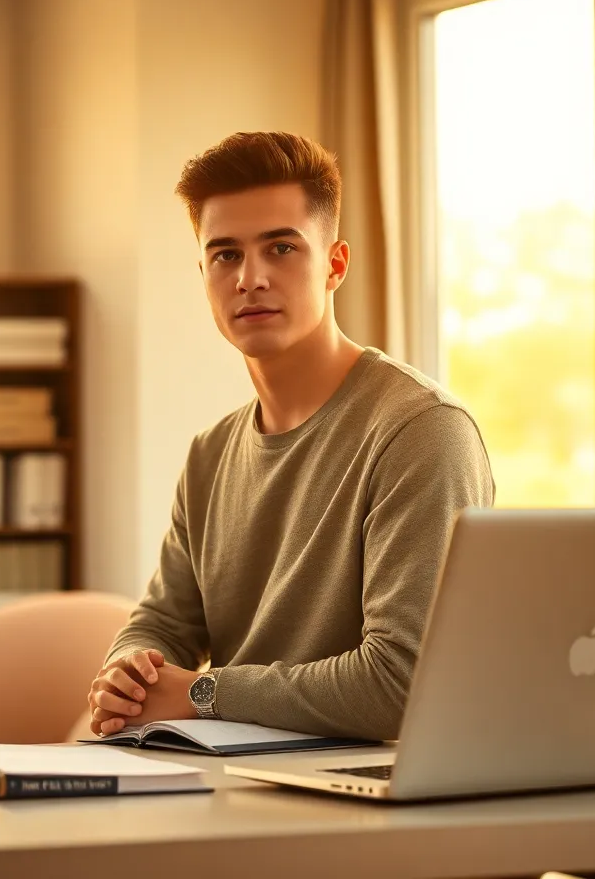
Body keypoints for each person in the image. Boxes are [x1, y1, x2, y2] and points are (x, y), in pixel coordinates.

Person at [86, 131, 495, 741]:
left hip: (371, 799)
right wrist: (130, 668)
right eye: (225, 255)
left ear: (335, 265)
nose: (250, 278)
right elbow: (166, 623)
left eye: (280, 248)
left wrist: (201, 693)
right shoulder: (209, 454)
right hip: (230, 779)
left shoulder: (421, 430)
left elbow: (400, 683)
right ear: (202, 272)